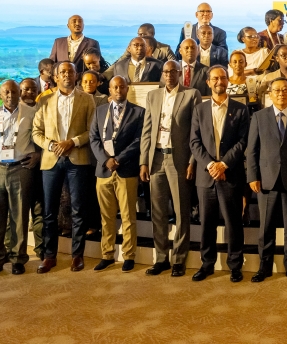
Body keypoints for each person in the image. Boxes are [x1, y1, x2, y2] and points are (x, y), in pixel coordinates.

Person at [32, 61, 97, 273]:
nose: (67, 75)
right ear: (56, 77)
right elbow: (36, 132)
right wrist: (52, 145)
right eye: (62, 72)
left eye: (70, 71)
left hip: (77, 158)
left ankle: (77, 256)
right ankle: (49, 256)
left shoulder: (87, 100)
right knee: (49, 211)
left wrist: (74, 142)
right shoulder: (45, 100)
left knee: (78, 210)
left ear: (76, 75)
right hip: (51, 160)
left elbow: (92, 131)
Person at [247, 77, 287, 283]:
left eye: (285, 90)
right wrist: (252, 176)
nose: (281, 94)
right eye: (277, 90)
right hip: (265, 181)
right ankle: (264, 266)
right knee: (265, 227)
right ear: (270, 94)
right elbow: (251, 151)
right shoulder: (259, 117)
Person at [140, 60, 202, 277]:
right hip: (156, 158)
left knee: (181, 211)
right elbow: (147, 131)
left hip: (179, 160)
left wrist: (192, 161)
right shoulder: (153, 96)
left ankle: (178, 259)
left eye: (172, 71)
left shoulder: (191, 94)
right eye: (165, 72)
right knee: (157, 212)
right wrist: (144, 161)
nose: (168, 75)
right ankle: (161, 258)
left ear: (179, 73)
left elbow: (196, 132)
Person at [189, 66, 250, 282]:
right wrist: (210, 165)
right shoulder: (199, 110)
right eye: (215, 78)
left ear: (228, 81)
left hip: (230, 175)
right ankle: (207, 264)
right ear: (208, 82)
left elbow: (243, 141)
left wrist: (223, 164)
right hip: (206, 178)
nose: (219, 81)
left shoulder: (240, 109)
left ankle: (235, 265)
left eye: (223, 78)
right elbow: (194, 142)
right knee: (206, 223)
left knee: (234, 223)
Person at [0, 80, 39, 277]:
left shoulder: (31, 113)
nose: (10, 95)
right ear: (0, 95)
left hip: (21, 169)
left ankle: (18, 259)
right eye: (6, 92)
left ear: (19, 93)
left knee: (19, 216)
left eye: (14, 91)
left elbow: (39, 138)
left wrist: (38, 155)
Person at [88, 76, 143, 272]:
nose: (118, 90)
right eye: (114, 87)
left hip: (126, 170)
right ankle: (107, 254)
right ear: (109, 90)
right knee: (106, 217)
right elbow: (93, 139)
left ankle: (129, 255)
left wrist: (118, 159)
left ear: (127, 89)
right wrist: (106, 160)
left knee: (128, 216)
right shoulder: (100, 110)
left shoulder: (138, 112)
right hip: (103, 171)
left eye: (121, 86)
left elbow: (138, 141)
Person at [17, 78, 46, 261]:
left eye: (33, 89)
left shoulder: (42, 109)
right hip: (20, 168)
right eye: (26, 89)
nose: (30, 92)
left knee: (40, 210)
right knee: (18, 212)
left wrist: (39, 155)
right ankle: (16, 252)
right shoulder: (12, 112)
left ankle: (42, 250)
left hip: (42, 167)